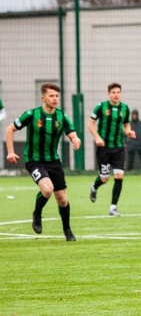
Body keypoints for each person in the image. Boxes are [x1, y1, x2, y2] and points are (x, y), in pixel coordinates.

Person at [5, 83, 82, 241]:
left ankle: (67, 230)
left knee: (62, 199)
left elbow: (72, 133)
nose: (55, 99)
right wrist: (11, 151)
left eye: (57, 96)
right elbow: (9, 129)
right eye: (51, 96)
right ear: (43, 97)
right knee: (47, 190)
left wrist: (76, 139)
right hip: (34, 160)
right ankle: (37, 213)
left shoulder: (62, 116)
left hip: (54, 161)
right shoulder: (32, 115)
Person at [88, 83, 135, 216]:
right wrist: (97, 137)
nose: (116, 95)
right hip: (103, 148)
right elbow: (90, 124)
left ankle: (113, 207)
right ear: (108, 93)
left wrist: (129, 132)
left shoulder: (125, 108)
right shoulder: (101, 107)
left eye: (118, 92)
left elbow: (126, 125)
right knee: (104, 178)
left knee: (119, 176)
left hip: (119, 148)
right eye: (113, 92)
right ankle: (94, 186)